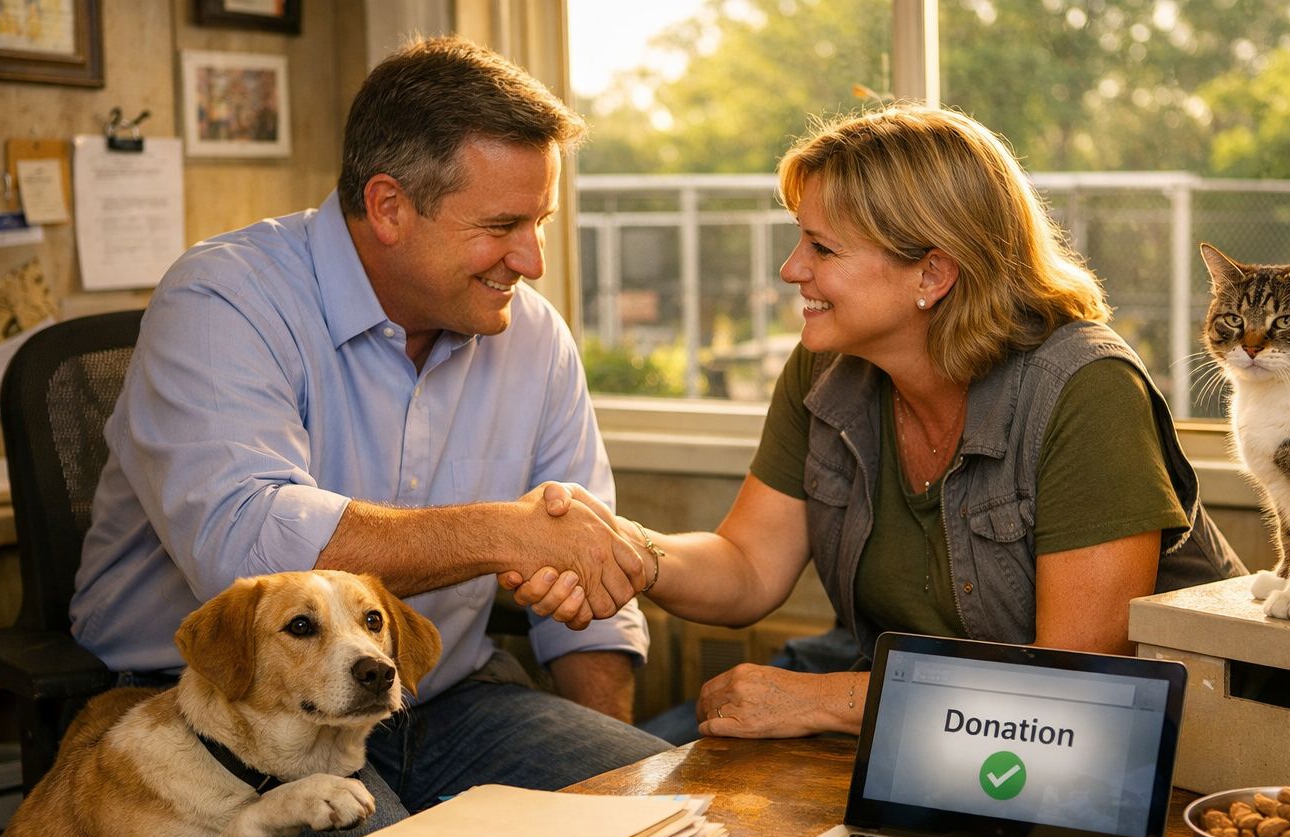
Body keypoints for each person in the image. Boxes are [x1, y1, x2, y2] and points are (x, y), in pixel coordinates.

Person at [70, 36, 671, 837]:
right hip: (227, 715)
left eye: (538, 223)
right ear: (388, 207)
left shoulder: (533, 337)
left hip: (445, 702)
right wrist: (507, 528)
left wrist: (601, 801)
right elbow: (246, 546)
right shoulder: (223, 299)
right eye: (502, 227)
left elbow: (585, 598)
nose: (531, 261)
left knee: (658, 832)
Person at [515, 105, 1244, 741]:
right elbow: (746, 568)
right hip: (914, 718)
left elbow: (1069, 689)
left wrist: (831, 700)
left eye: (822, 248)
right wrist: (628, 552)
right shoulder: (829, 367)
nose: (791, 269)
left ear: (933, 274)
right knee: (635, 780)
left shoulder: (1086, 390)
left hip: (1129, 758)